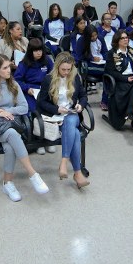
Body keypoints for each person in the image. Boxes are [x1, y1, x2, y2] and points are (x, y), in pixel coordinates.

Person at [0, 55, 49, 202]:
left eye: (9, 66)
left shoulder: (13, 84)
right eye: (5, 68)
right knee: (13, 135)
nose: (10, 70)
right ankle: (33, 174)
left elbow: (24, 107)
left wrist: (8, 111)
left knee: (10, 146)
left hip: (9, 125)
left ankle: (7, 183)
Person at [36, 52, 90, 189]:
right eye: (63, 69)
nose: (66, 72)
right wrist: (57, 109)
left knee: (70, 120)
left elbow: (84, 96)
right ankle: (77, 173)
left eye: (69, 69)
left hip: (72, 114)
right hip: (56, 117)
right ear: (57, 67)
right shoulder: (48, 79)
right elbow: (41, 103)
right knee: (76, 134)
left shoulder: (75, 78)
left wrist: (80, 105)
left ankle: (64, 162)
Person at [105, 29, 133, 133]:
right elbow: (110, 72)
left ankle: (132, 114)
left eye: (126, 37)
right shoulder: (112, 53)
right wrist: (125, 78)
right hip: (120, 80)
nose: (125, 40)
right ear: (117, 40)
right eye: (122, 38)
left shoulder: (131, 50)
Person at [14, 39, 54, 115]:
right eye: (36, 51)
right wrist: (27, 88)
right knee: (32, 110)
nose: (39, 53)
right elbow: (17, 81)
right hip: (30, 90)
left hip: (45, 89)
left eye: (40, 50)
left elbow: (53, 75)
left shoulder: (47, 60)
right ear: (30, 52)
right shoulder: (24, 63)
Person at [75, 25, 109, 110]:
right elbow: (79, 56)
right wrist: (91, 58)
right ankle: (104, 101)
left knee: (109, 74)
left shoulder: (100, 38)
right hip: (88, 65)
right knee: (108, 73)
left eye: (95, 35)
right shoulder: (81, 41)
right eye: (92, 36)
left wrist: (102, 57)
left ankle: (106, 100)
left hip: (101, 62)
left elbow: (105, 51)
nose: (94, 38)